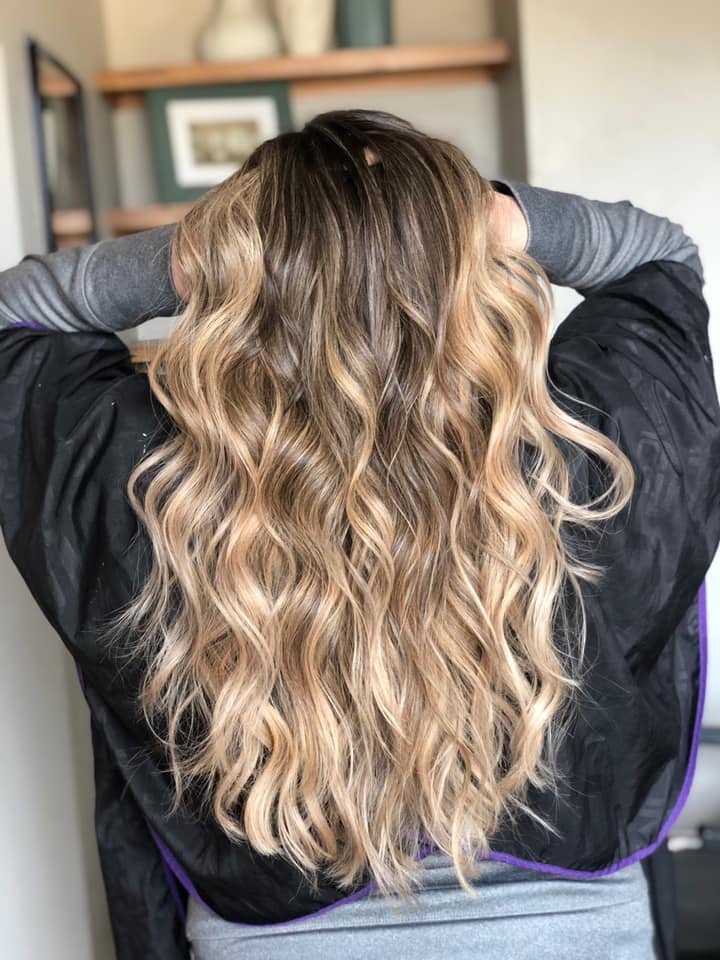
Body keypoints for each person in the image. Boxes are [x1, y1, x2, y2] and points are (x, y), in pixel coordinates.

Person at [0, 110, 718, 960]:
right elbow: (662, 260)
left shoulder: (155, 489)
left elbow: (13, 316)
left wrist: (210, 254)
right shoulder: (591, 456)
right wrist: (490, 215)